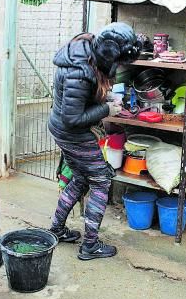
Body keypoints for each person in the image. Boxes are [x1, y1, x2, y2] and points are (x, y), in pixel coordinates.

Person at [48, 22, 141, 260]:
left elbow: (82, 101)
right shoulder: (78, 73)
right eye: (117, 61)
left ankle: (57, 230)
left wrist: (105, 98)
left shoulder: (91, 51)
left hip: (67, 130)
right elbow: (73, 118)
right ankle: (90, 245)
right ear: (107, 55)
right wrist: (106, 108)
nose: (118, 66)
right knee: (101, 179)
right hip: (72, 133)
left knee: (80, 178)